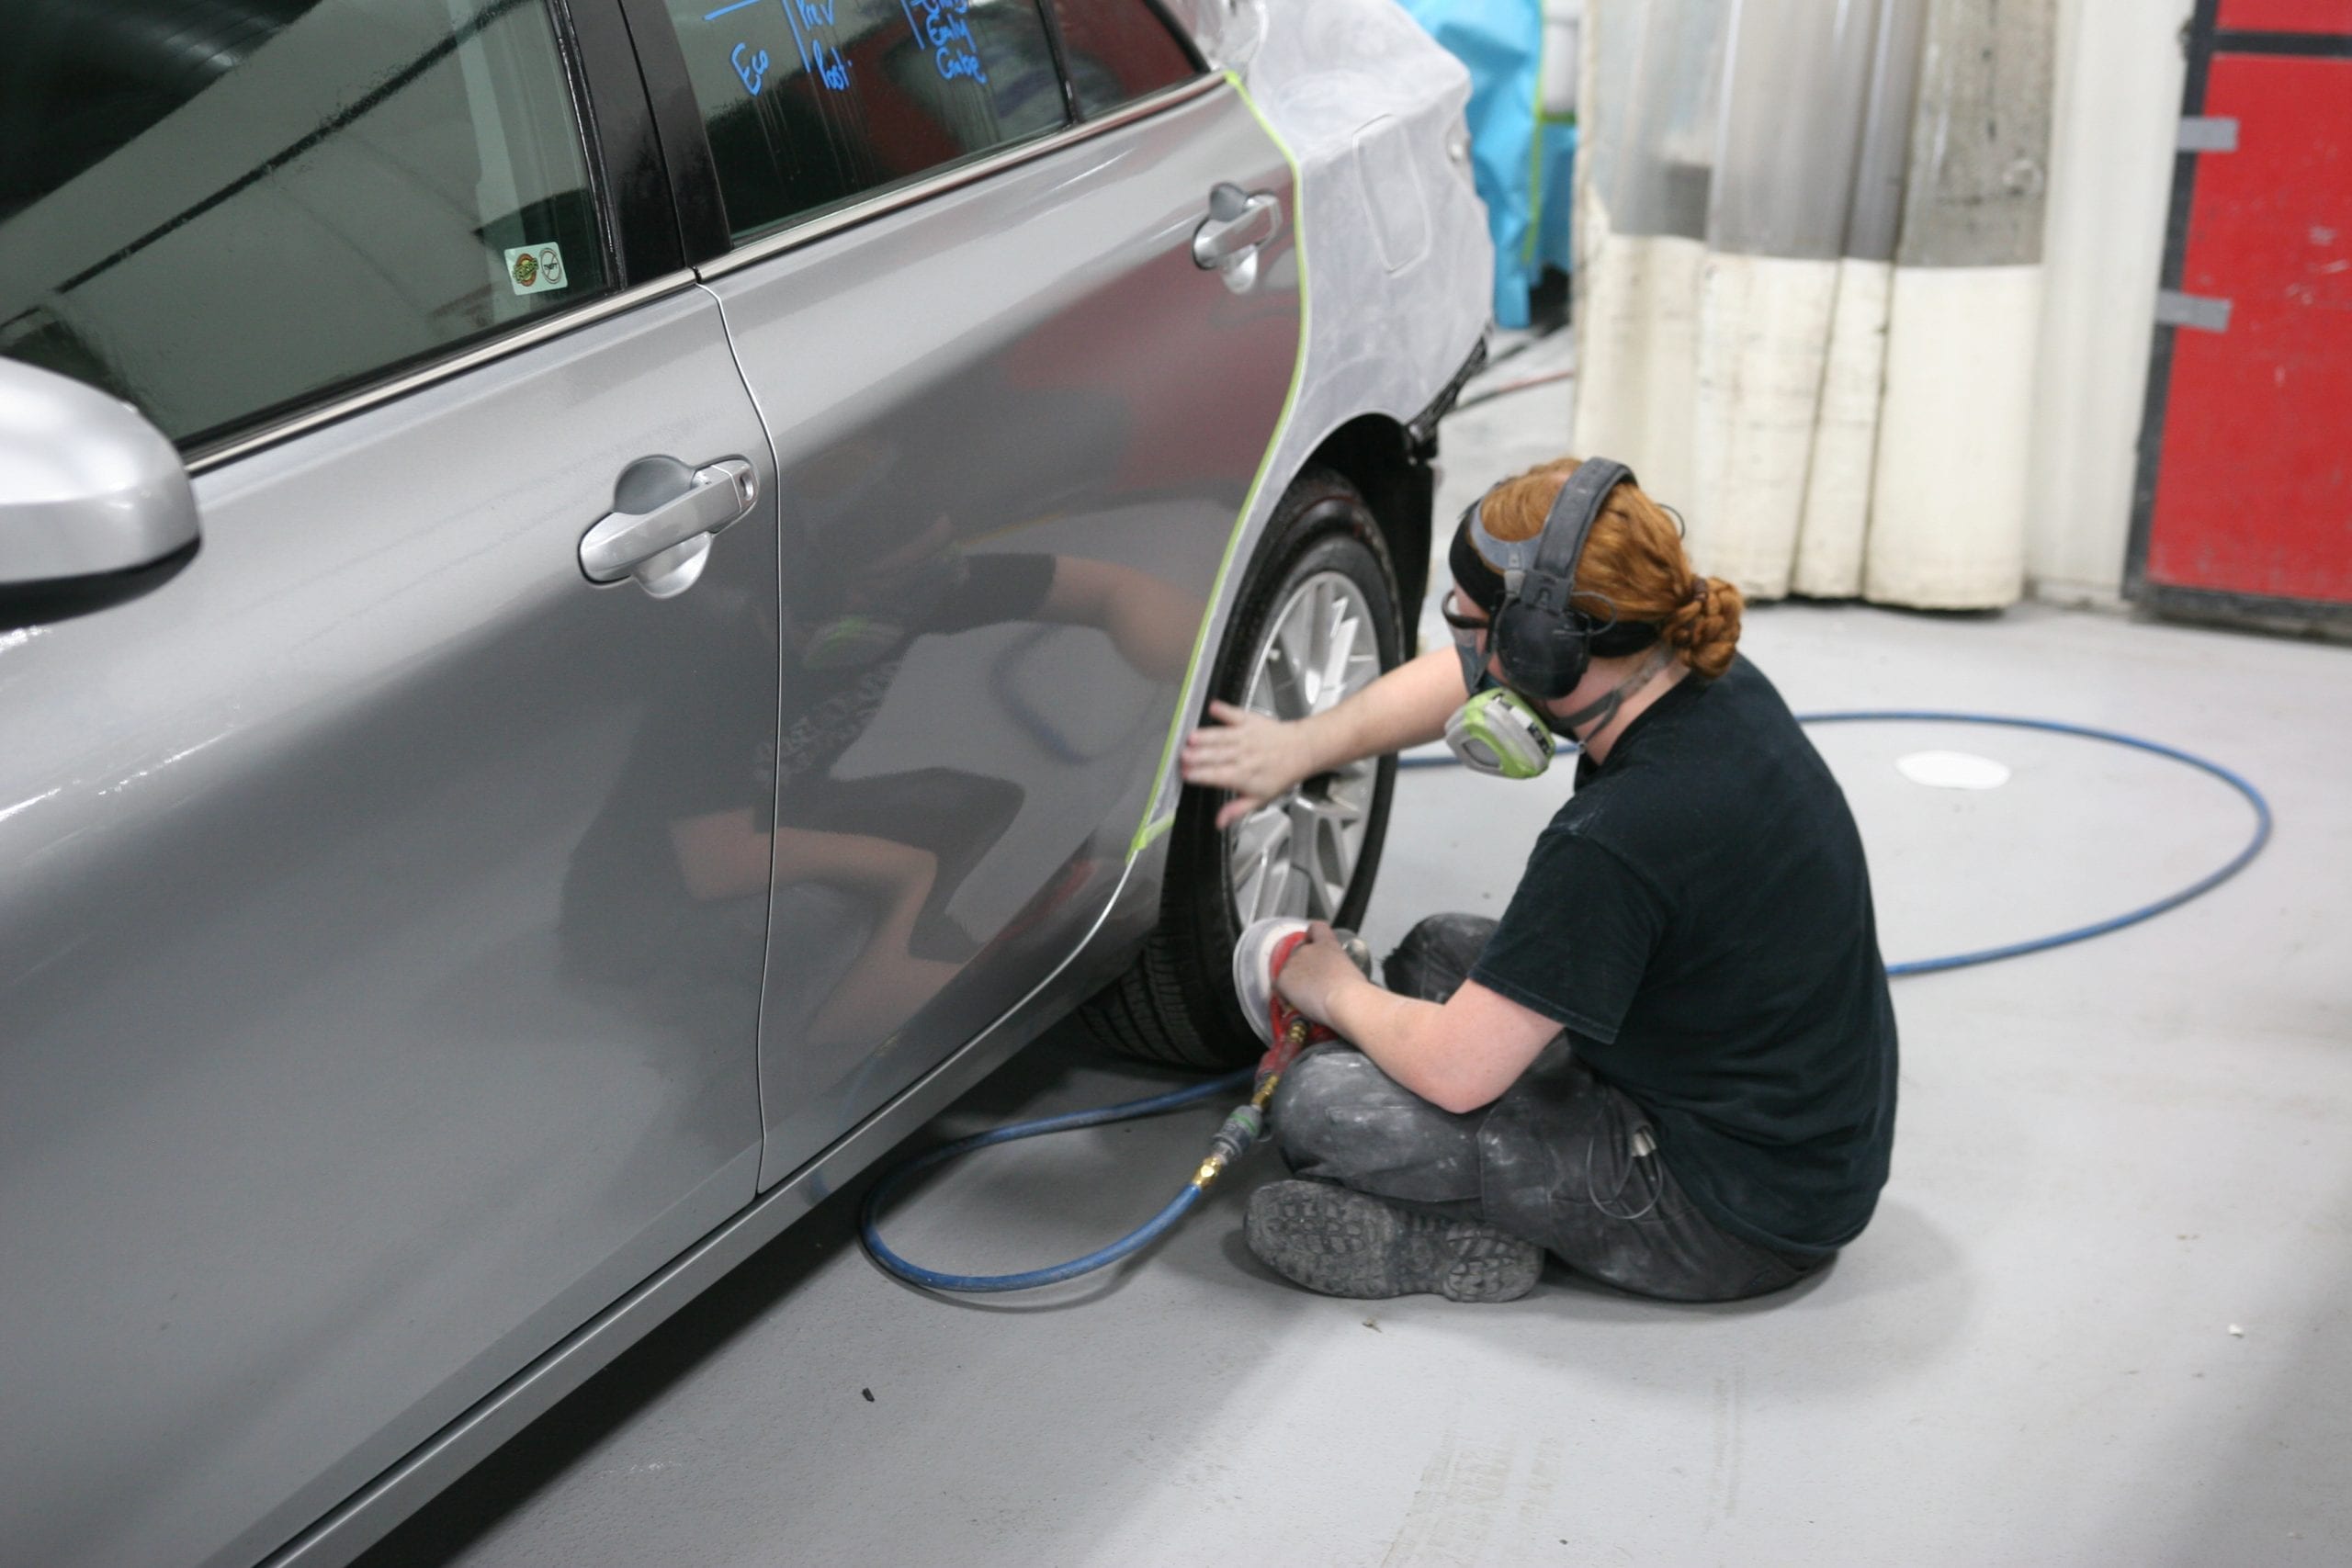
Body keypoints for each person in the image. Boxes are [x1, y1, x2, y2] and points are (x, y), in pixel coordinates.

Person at [1179, 457, 1897, 1304]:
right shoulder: (1699, 674)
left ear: (1540, 647)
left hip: (1728, 1213)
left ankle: (1446, 1242)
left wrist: (1324, 985)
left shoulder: (1620, 834)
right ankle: (1505, 1160)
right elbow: (1465, 675)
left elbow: (1455, 1072)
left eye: (1471, 622)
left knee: (1323, 1104)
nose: (1463, 648)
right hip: (1778, 1123)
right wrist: (1306, 745)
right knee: (1434, 952)